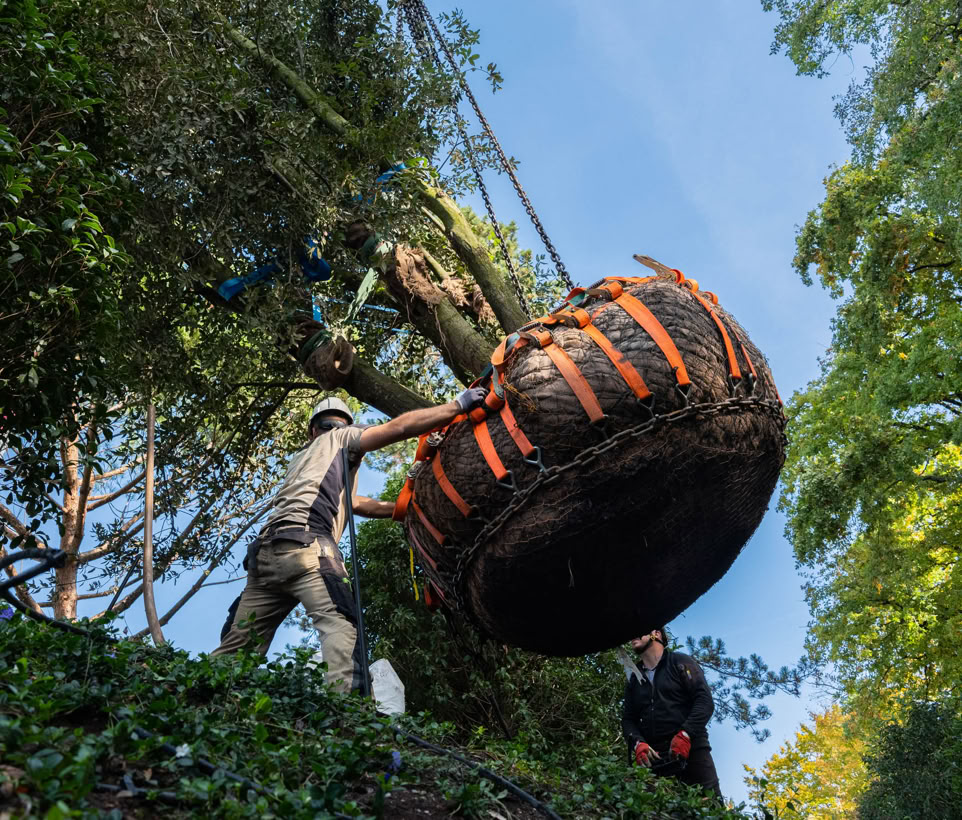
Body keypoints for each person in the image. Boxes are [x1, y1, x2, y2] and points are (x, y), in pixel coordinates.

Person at [212, 389, 486, 692]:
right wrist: (457, 406)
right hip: (308, 546)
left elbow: (354, 503)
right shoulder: (341, 438)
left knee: (239, 645)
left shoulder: (302, 460)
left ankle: (201, 698)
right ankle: (345, 714)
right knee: (341, 625)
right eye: (334, 426)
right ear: (323, 429)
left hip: (265, 557)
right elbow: (399, 428)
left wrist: (401, 509)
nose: (336, 430)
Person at [621, 626, 722, 799]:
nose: (632, 637)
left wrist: (686, 734)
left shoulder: (680, 662)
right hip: (654, 758)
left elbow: (704, 701)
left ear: (656, 634)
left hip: (692, 752)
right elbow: (628, 719)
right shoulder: (634, 678)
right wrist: (637, 743)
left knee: (710, 806)